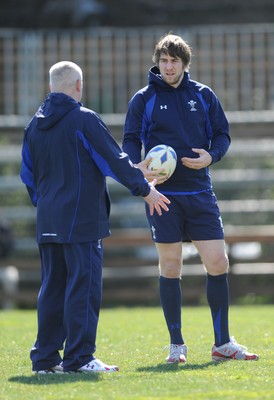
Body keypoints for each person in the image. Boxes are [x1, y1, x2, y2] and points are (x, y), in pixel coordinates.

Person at [20, 61, 170, 374]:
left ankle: (45, 360)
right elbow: (112, 159)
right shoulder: (83, 118)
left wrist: (47, 205)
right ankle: (79, 358)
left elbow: (29, 175)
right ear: (78, 86)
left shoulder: (33, 125)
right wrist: (146, 190)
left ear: (51, 87)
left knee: (52, 289)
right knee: (83, 288)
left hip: (48, 220)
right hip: (81, 221)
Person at [123, 33, 258, 363]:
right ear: (157, 62)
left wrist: (211, 157)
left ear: (185, 64)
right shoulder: (143, 99)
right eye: (163, 61)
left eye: (175, 61)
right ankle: (176, 345)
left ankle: (222, 344)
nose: (168, 67)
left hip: (200, 193)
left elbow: (223, 134)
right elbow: (129, 141)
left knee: (218, 262)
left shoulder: (204, 95)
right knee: (170, 267)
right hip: (162, 197)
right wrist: (137, 169)